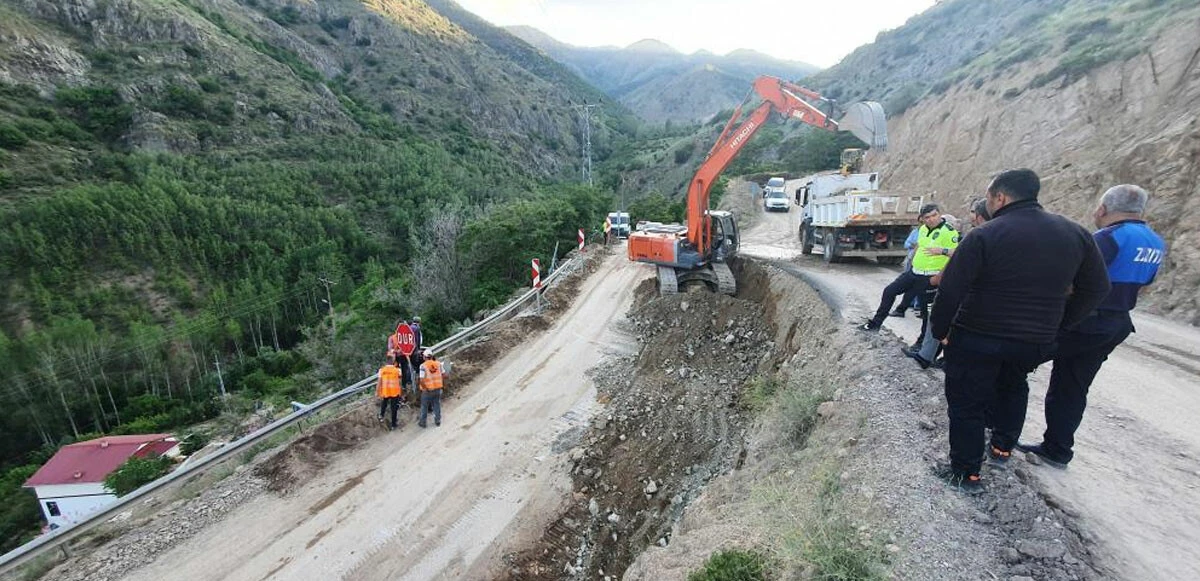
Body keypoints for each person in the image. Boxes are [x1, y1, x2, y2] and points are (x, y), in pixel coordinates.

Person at [929, 169, 1110, 493]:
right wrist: (1059, 324)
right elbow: (1097, 288)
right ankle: (1002, 447)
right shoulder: (1075, 233)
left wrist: (941, 331)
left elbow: (951, 290)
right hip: (1033, 342)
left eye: (989, 197)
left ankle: (966, 474)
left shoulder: (984, 235)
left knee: (967, 403)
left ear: (1000, 197)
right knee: (1013, 387)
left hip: (977, 336)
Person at [1019, 185, 1165, 468]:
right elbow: (1146, 282)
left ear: (1103, 208)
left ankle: (996, 429)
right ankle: (1058, 449)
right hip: (1117, 322)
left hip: (1085, 320)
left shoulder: (1108, 238)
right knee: (1073, 385)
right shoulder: (1154, 241)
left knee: (1018, 360)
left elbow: (1074, 279)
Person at [905, 201, 991, 368]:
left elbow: (958, 259)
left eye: (973, 212)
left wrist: (938, 277)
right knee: (938, 319)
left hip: (967, 291)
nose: (971, 216)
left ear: (981, 216)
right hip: (962, 288)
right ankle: (928, 356)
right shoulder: (979, 234)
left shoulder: (980, 236)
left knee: (945, 321)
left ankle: (938, 358)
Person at [861, 204, 959, 330]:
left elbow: (957, 253)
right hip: (914, 272)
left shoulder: (949, 232)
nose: (931, 219)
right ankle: (875, 324)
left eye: (934, 215)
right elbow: (919, 245)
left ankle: (922, 340)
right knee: (889, 291)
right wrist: (911, 261)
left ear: (939, 214)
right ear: (922, 219)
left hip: (930, 276)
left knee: (926, 312)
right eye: (927, 217)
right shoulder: (923, 229)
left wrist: (942, 251)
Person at [418, 349, 445, 428]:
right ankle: (437, 420)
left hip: (428, 390)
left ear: (424, 357)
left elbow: (421, 380)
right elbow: (444, 375)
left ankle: (423, 422)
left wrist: (424, 388)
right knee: (436, 404)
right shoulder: (438, 364)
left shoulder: (423, 366)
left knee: (424, 406)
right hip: (437, 388)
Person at [376, 356, 403, 430]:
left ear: (386, 361)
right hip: (395, 391)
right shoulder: (397, 370)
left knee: (384, 403)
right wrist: (401, 392)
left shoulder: (382, 370)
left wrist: (377, 392)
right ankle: (393, 425)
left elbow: (379, 382)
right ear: (393, 361)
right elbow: (400, 382)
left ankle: (381, 415)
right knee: (394, 408)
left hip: (386, 391)